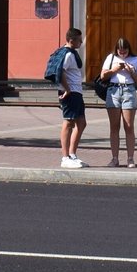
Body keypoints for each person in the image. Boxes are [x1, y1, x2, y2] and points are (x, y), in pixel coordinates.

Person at [101, 36, 137, 167]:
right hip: (113, 90)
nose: (123, 54)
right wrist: (114, 70)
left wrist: (131, 71)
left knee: (129, 126)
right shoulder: (111, 58)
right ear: (116, 50)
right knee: (114, 126)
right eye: (120, 51)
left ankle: (130, 158)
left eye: (125, 51)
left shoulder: (135, 59)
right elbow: (102, 76)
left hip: (128, 91)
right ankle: (114, 158)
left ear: (129, 49)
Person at [56, 27, 87, 169]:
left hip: (77, 92)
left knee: (81, 123)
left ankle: (72, 154)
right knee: (68, 122)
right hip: (70, 93)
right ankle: (65, 157)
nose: (81, 42)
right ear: (71, 40)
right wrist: (67, 89)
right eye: (79, 40)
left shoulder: (72, 53)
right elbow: (60, 71)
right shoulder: (67, 55)